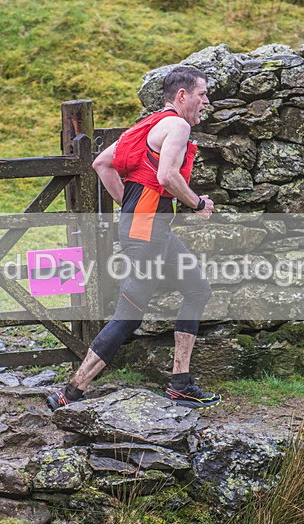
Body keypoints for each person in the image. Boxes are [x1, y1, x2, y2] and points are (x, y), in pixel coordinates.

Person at [46, 65, 221, 411]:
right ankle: (71, 391)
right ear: (182, 96)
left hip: (152, 231)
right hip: (146, 233)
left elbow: (101, 163)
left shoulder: (148, 126)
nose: (207, 101)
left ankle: (180, 383)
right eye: (203, 94)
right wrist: (198, 203)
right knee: (129, 315)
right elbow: (168, 175)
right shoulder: (178, 125)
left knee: (197, 288)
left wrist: (129, 205)